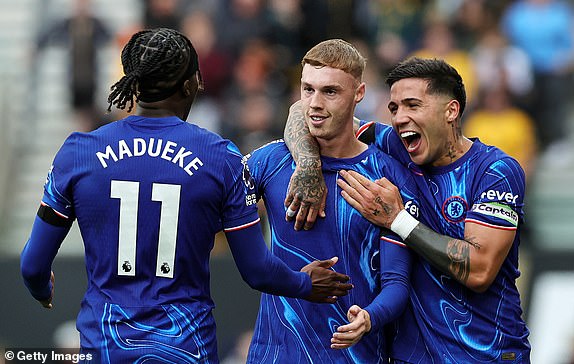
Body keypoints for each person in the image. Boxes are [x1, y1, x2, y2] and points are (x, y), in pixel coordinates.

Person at [19, 28, 353, 363]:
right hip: (186, 349)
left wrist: (42, 288)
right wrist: (305, 284)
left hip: (106, 348)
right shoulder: (221, 157)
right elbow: (257, 270)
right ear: (190, 83)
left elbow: (33, 265)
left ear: (133, 84)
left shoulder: (79, 152)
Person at [284, 57, 531, 362]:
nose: (400, 118)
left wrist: (398, 220)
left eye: (413, 105)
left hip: (486, 353)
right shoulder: (395, 147)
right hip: (411, 356)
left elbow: (479, 269)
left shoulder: (494, 170)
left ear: (451, 111)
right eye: (394, 108)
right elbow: (303, 112)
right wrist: (308, 164)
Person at [245, 39, 419, 363]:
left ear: (359, 93)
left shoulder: (387, 176)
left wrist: (369, 317)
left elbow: (396, 283)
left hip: (355, 354)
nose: (314, 104)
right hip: (275, 355)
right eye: (307, 89)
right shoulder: (269, 161)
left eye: (330, 92)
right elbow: (208, 212)